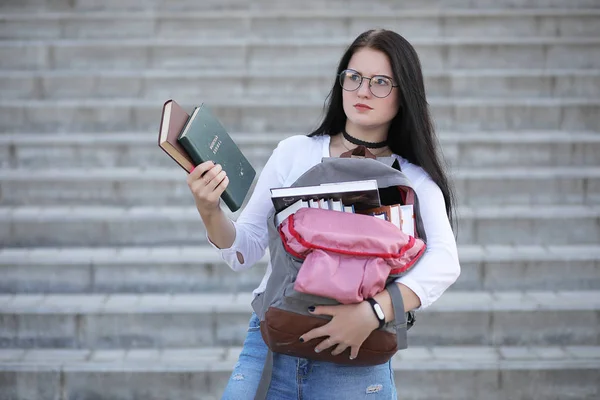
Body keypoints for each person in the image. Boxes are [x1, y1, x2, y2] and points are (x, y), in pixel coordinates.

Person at [186, 29, 461, 400]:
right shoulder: (294, 152)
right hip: (272, 343)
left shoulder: (413, 178)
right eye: (354, 77)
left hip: (357, 356)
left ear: (404, 94)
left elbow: (445, 261)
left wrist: (374, 313)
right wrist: (209, 209)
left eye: (381, 82)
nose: (363, 91)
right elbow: (244, 249)